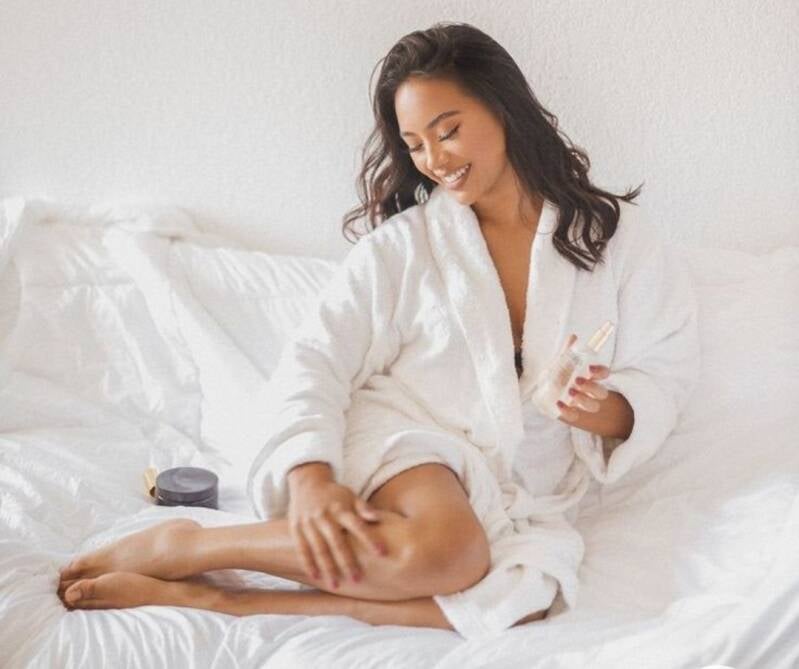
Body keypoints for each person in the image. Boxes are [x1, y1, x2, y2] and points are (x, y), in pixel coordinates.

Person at [57, 22, 699, 638]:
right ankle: (194, 546)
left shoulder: (616, 239)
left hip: (517, 489)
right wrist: (310, 477)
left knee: (523, 598)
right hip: (406, 435)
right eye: (416, 144)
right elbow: (315, 359)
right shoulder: (403, 248)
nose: (435, 160)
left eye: (449, 131)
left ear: (504, 108)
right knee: (452, 554)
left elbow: (664, 373)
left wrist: (598, 409)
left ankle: (224, 598)